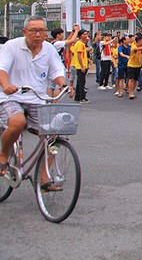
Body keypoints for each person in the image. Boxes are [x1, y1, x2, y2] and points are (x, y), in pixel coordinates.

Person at [0, 16, 69, 189]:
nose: (38, 34)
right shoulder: (12, 46)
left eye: (42, 31)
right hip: (11, 97)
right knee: (17, 122)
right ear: (24, 32)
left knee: (53, 135)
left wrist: (63, 84)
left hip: (37, 98)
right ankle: (3, 154)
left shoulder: (48, 49)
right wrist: (6, 85)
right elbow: (2, 68)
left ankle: (44, 179)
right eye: (33, 31)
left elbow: (56, 70)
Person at [70, 30, 91, 104]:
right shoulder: (79, 43)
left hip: (82, 65)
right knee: (82, 82)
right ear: (80, 35)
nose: (86, 36)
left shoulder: (82, 43)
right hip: (80, 66)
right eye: (84, 34)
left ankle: (77, 97)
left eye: (86, 34)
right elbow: (79, 55)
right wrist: (82, 66)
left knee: (79, 82)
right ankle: (82, 97)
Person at [126, 34, 142, 100]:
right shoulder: (133, 46)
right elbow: (137, 49)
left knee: (135, 80)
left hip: (138, 65)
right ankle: (130, 93)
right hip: (131, 65)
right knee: (131, 79)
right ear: (138, 41)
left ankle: (131, 91)